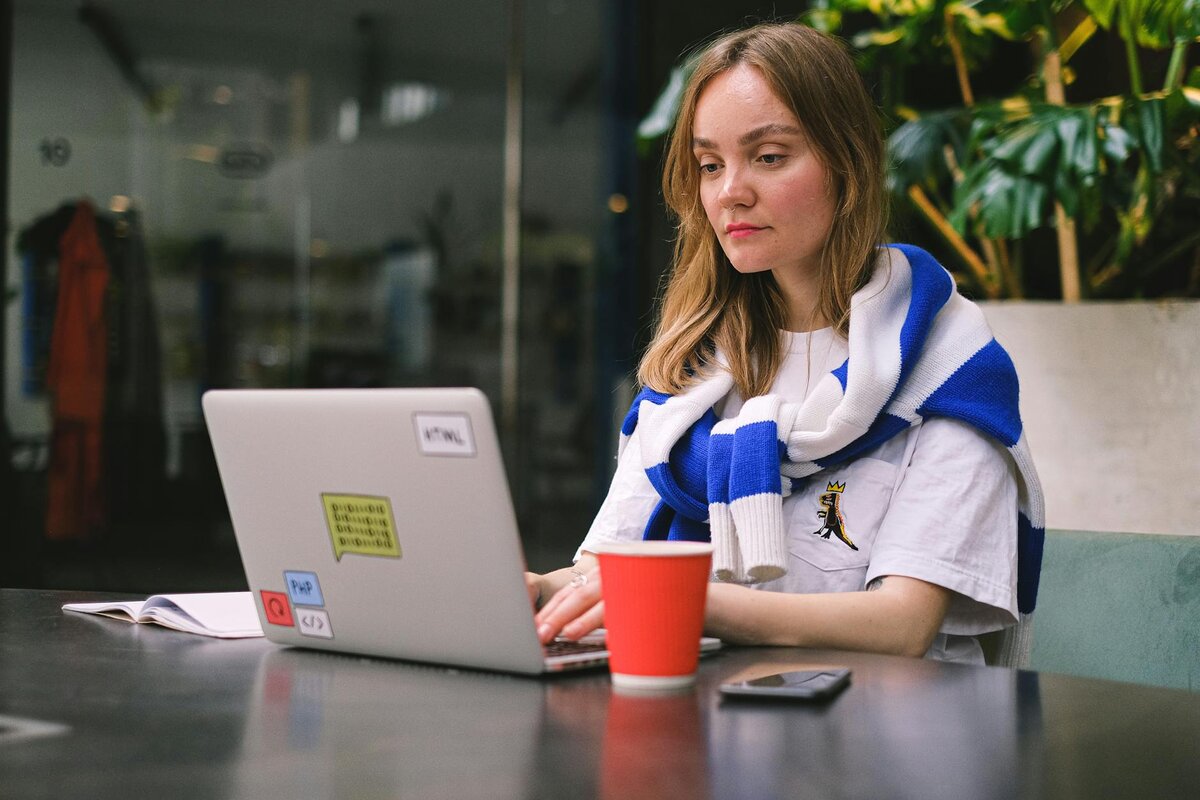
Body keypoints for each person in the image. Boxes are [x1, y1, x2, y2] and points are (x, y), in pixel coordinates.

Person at [527, 22, 1044, 664]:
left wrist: (689, 600)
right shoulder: (691, 375)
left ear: (848, 166)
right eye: (710, 165)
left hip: (889, 740)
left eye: (768, 157)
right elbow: (602, 574)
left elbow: (903, 623)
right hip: (705, 729)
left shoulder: (947, 368)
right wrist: (537, 591)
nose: (729, 193)